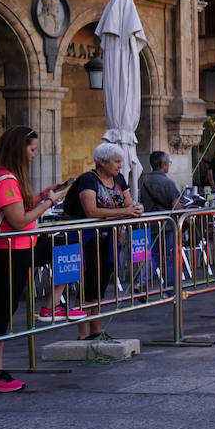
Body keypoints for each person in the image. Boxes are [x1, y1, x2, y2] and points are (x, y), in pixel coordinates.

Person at [0, 127, 69, 390]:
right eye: (32, 149)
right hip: (8, 250)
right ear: (18, 148)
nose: (34, 155)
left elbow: (18, 209)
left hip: (18, 248)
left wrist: (41, 196)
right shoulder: (5, 180)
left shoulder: (5, 177)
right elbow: (19, 220)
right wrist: (48, 203)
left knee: (66, 245)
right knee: (3, 307)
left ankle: (53, 304)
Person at [63, 142, 140, 339]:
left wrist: (136, 209)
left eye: (121, 161)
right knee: (87, 284)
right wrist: (125, 211)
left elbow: (129, 203)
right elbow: (91, 211)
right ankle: (83, 333)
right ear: (102, 162)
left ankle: (96, 331)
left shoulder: (119, 179)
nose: (120, 165)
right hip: (86, 238)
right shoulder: (89, 180)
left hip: (109, 238)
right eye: (116, 161)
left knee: (101, 284)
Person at [137, 150, 182, 295]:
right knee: (168, 257)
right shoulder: (167, 182)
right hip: (166, 225)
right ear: (163, 164)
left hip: (151, 224)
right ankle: (170, 290)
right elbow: (176, 205)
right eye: (168, 163)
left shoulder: (144, 181)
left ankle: (142, 281)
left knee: (153, 255)